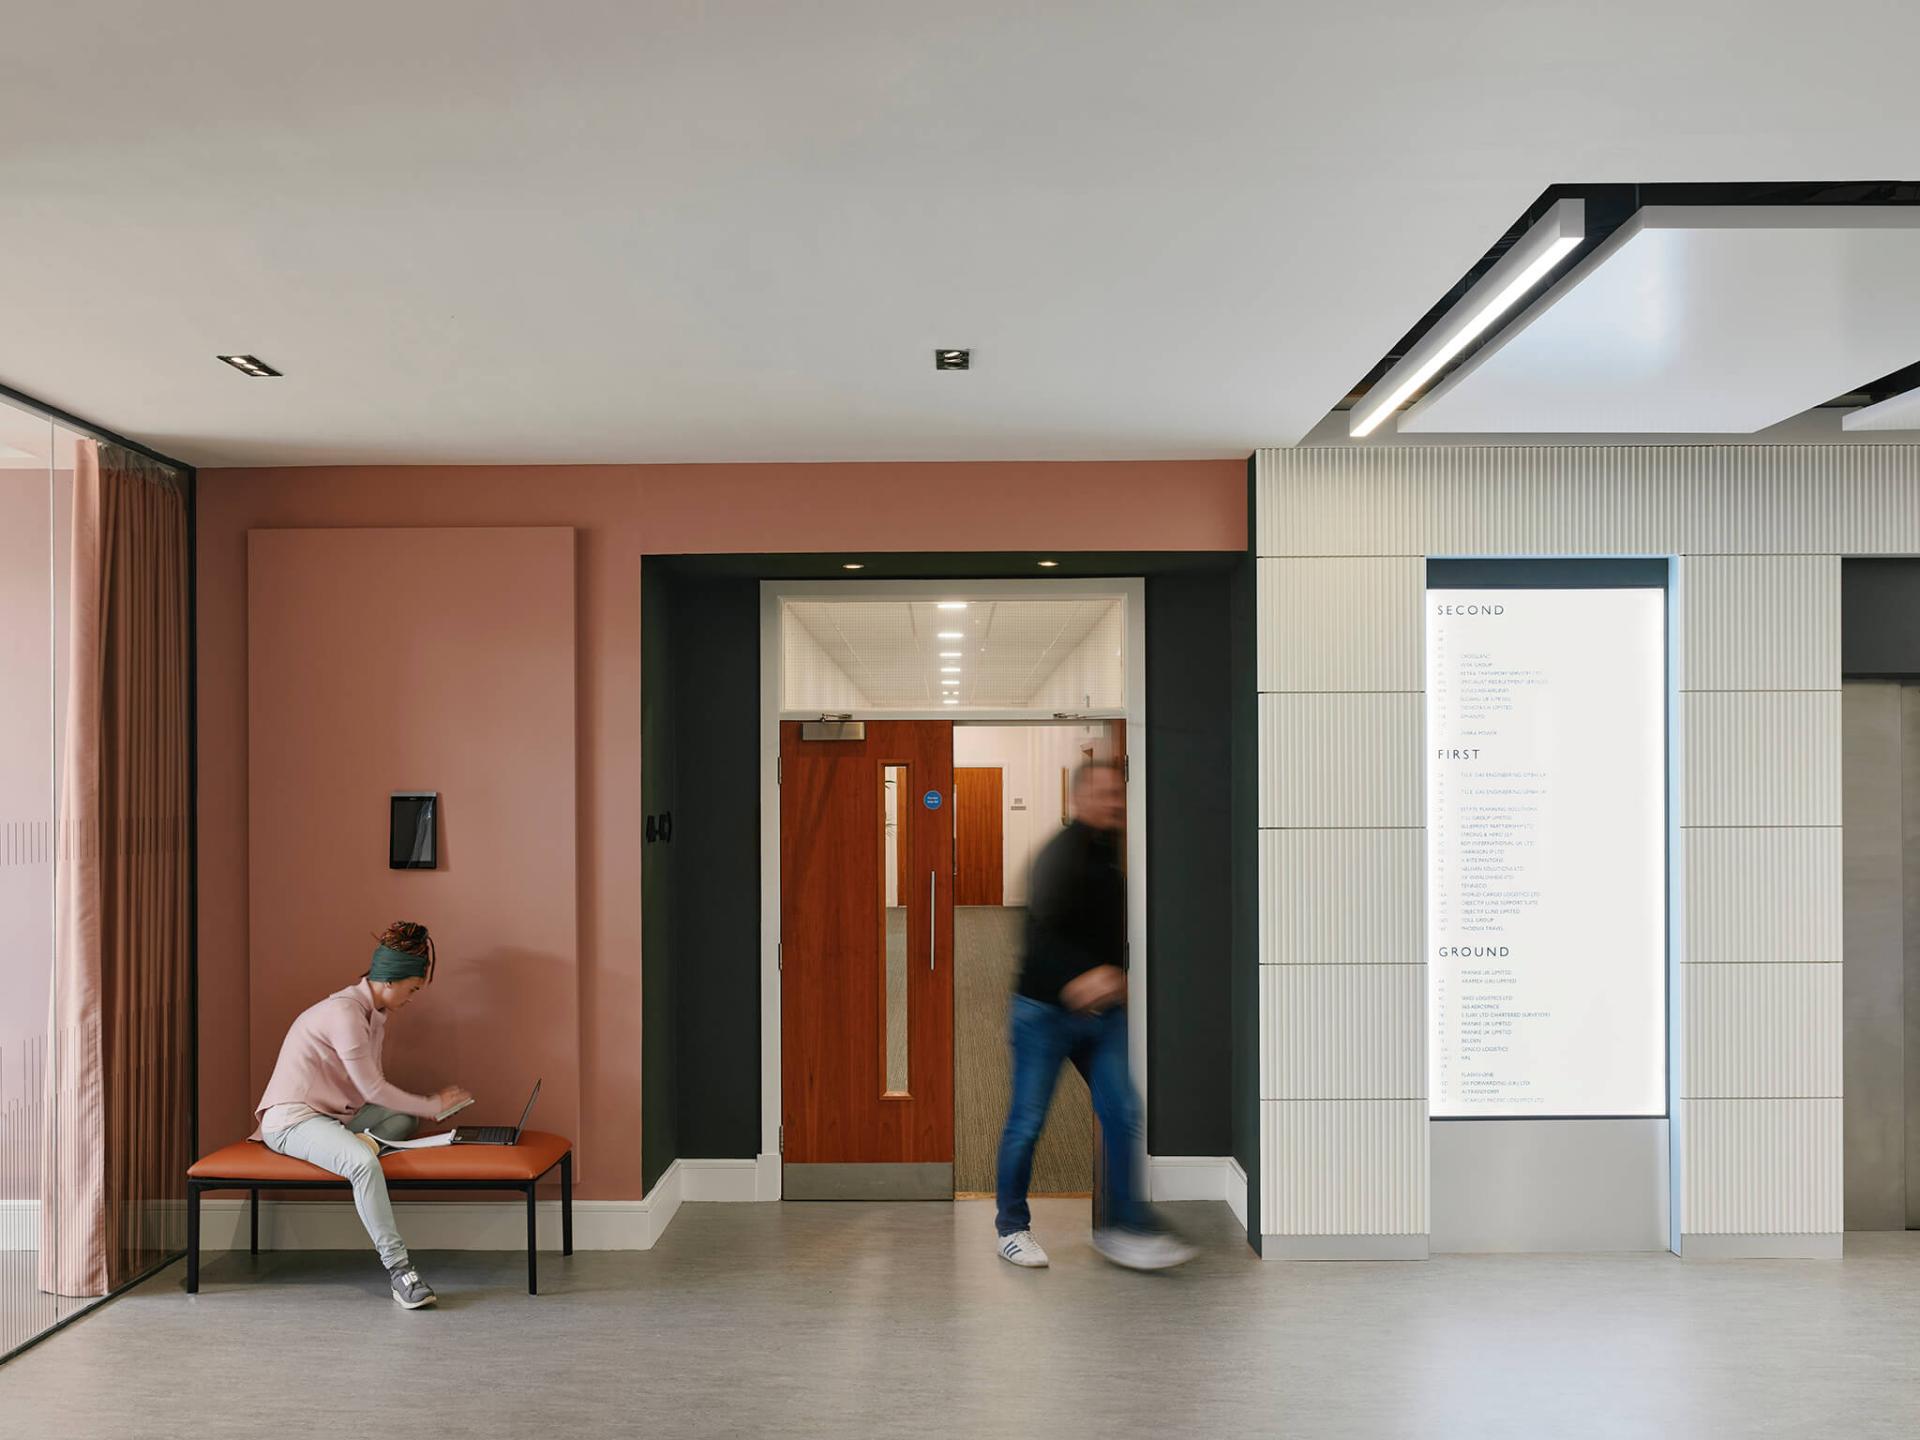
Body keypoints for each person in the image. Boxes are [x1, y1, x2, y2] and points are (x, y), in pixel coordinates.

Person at [994, 759, 1195, 1271]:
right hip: (1042, 1014)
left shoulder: (1111, 854)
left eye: (1117, 795)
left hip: (1101, 1020)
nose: (1114, 803)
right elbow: (1039, 934)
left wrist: (1114, 978)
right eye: (1104, 794)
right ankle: (1011, 1228)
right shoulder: (1057, 857)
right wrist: (1076, 978)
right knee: (1027, 1123)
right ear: (1079, 798)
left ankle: (1123, 1226)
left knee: (1123, 1112)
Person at [252, 920, 471, 1309]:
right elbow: (371, 1089)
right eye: (413, 988)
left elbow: (372, 1087)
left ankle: (360, 1143)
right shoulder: (345, 1013)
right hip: (292, 1120)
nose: (413, 997)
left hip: (335, 1117)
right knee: (363, 1163)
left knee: (402, 1120)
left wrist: (421, 1108)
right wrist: (432, 1104)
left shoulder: (375, 1016)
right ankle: (400, 1270)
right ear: (392, 980)